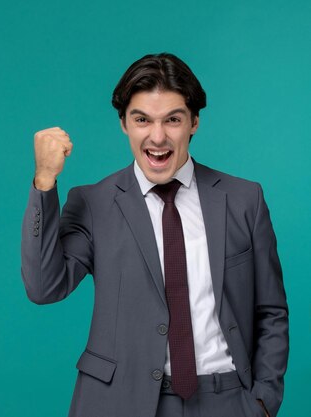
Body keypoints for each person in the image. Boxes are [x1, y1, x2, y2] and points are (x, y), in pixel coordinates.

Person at [20, 53, 288, 417]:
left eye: (173, 120)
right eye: (142, 119)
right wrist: (44, 181)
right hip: (117, 402)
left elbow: (270, 311)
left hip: (224, 399)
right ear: (124, 124)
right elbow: (43, 286)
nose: (157, 137)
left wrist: (263, 401)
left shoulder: (244, 200)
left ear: (194, 122)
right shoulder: (94, 203)